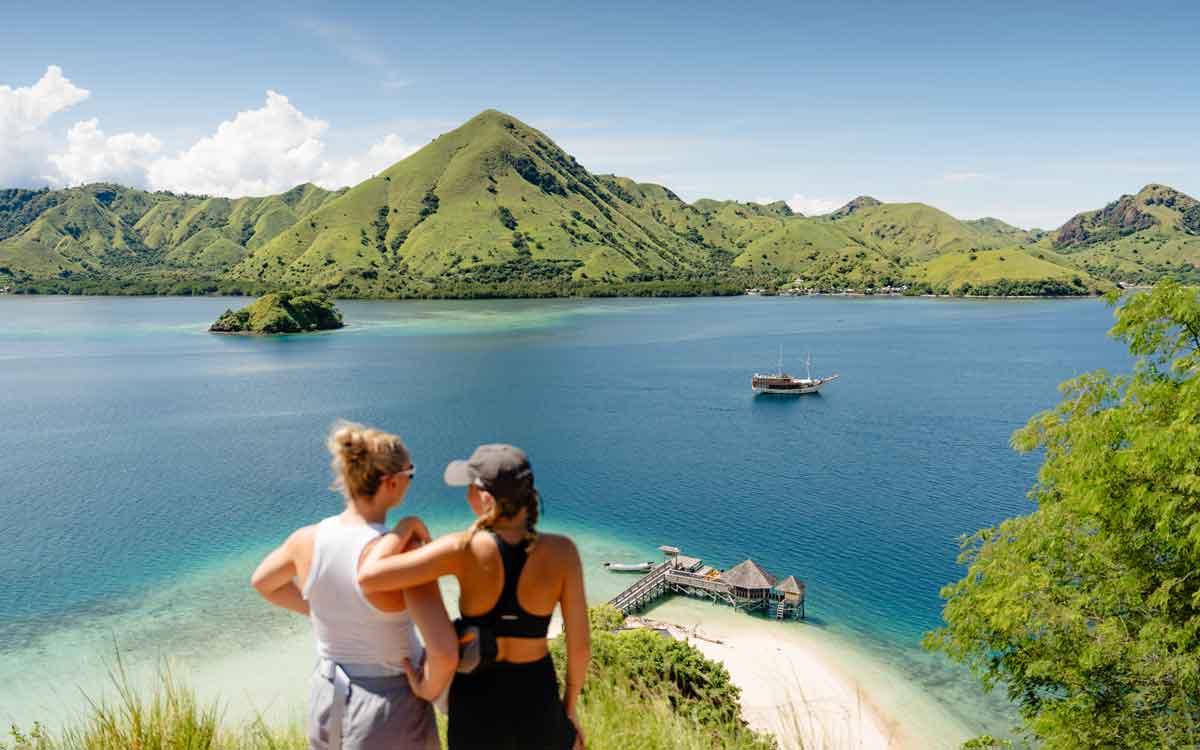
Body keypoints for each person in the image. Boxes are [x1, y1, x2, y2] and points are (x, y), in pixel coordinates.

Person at [358, 444, 590, 750]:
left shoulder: (462, 548)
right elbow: (580, 646)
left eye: (470, 488)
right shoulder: (563, 552)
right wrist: (569, 708)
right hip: (538, 702)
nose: (467, 496)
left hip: (476, 707)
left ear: (486, 498)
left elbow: (369, 576)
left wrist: (405, 527)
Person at [251, 421, 457, 750]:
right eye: (411, 473)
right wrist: (428, 689)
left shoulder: (306, 540)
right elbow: (444, 652)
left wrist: (320, 611)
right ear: (391, 482)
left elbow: (263, 583)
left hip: (326, 694)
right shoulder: (403, 553)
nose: (411, 480)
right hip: (390, 705)